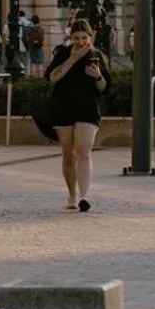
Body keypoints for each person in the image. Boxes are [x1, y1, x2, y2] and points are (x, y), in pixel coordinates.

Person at [46, 18, 111, 212]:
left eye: (84, 38)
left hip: (88, 108)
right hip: (63, 107)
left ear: (91, 37)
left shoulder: (97, 55)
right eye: (76, 38)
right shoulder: (63, 53)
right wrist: (72, 59)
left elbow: (105, 87)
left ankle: (84, 196)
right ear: (70, 37)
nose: (81, 42)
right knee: (68, 154)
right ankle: (72, 195)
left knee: (84, 152)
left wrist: (98, 75)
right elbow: (52, 77)